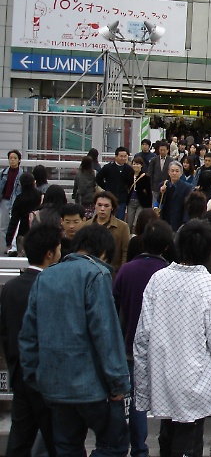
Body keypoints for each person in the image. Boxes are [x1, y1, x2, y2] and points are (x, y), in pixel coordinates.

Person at [134, 219, 211, 457]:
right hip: (194, 380)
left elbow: (142, 337)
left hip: (162, 376)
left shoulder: (158, 280)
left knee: (167, 438)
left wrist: (142, 386)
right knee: (189, 442)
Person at [19, 224, 130, 455]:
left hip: (54, 385)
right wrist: (118, 383)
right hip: (92, 387)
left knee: (67, 447)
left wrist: (35, 375)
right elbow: (105, 334)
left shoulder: (45, 277)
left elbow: (28, 336)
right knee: (114, 444)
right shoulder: (96, 275)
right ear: (102, 253)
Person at [0, 222, 60, 457]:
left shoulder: (11, 287)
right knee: (57, 441)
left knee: (20, 439)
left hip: (20, 376)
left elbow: (5, 331)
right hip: (48, 378)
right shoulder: (53, 285)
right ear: (49, 253)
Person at [112, 220, 172, 456]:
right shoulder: (168, 273)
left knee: (135, 400)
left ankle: (138, 448)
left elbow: (115, 305)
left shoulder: (126, 270)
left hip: (130, 344)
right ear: (167, 246)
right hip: (162, 347)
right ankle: (166, 442)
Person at [90, 190, 130, 273]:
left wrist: (122, 272)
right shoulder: (87, 226)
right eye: (99, 205)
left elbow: (125, 252)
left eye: (106, 206)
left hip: (113, 272)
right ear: (95, 206)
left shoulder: (122, 227)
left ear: (112, 207)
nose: (102, 209)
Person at [6, 173, 40, 257]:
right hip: (38, 231)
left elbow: (14, 221)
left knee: (23, 260)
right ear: (33, 182)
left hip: (24, 231)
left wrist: (9, 239)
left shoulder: (19, 199)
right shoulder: (40, 195)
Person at [96, 147, 134, 220]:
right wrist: (106, 187)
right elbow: (98, 178)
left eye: (125, 156)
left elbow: (130, 184)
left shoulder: (128, 169)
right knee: (108, 217)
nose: (123, 158)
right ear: (116, 157)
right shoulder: (108, 167)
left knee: (119, 219)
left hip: (122, 199)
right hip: (109, 197)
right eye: (121, 156)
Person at [158, 162, 192, 232]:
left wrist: (185, 222)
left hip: (178, 221)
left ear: (181, 173)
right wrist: (161, 193)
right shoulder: (163, 185)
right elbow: (159, 202)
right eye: (172, 171)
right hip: (164, 219)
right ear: (168, 172)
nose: (174, 173)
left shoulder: (186, 187)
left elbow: (187, 206)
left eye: (177, 171)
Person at [0, 149, 22, 253]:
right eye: (10, 158)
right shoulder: (3, 173)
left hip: (16, 201)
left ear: (19, 160)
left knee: (14, 224)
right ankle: (5, 246)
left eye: (14, 158)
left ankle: (12, 246)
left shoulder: (21, 174)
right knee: (3, 225)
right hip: (4, 200)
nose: (12, 160)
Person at [126, 156, 153, 231]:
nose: (135, 166)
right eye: (134, 164)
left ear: (141, 165)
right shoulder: (129, 175)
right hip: (131, 201)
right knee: (129, 222)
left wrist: (149, 205)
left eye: (137, 164)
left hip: (141, 202)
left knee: (137, 222)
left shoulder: (146, 177)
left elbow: (148, 192)